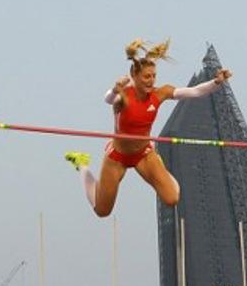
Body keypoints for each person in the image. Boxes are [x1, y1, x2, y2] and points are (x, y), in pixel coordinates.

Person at [66, 39, 232, 217]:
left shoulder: (159, 94)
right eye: (146, 76)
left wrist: (216, 82)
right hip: (118, 157)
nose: (151, 81)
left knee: (172, 199)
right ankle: (82, 164)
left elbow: (195, 92)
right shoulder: (124, 95)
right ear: (134, 76)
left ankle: (161, 167)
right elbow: (108, 99)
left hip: (143, 154)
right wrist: (115, 89)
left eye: (153, 76)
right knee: (102, 211)